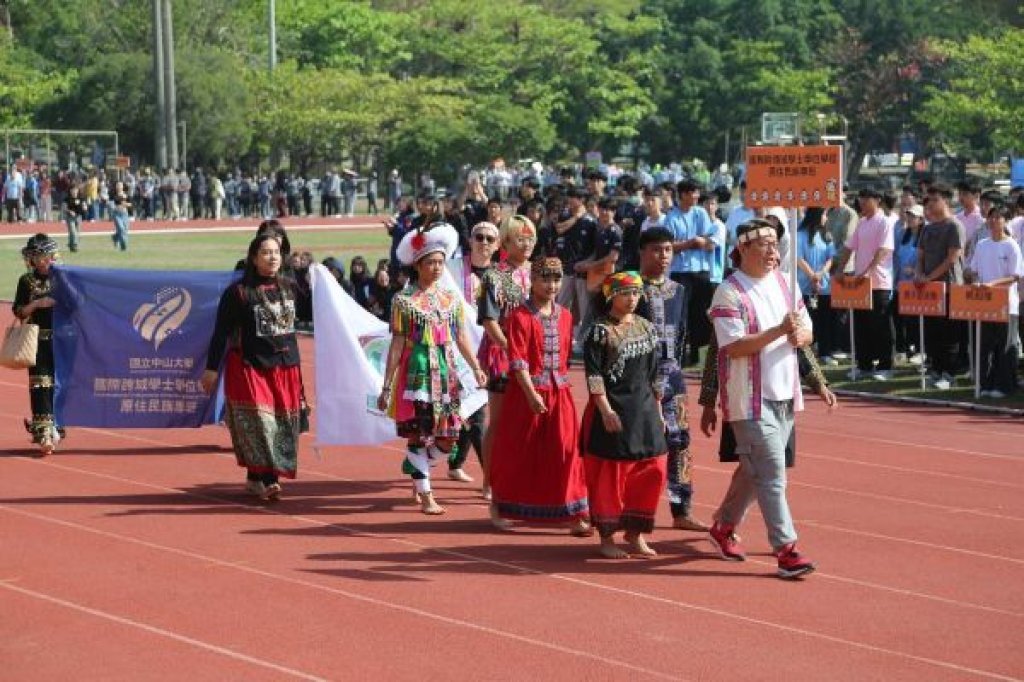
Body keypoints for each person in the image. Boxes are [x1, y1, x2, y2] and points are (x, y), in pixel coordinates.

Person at [707, 219, 816, 580]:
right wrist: (777, 331)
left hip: (785, 393)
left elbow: (807, 328)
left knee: (753, 474)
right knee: (772, 474)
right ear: (743, 249)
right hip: (749, 399)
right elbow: (733, 347)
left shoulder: (786, 283)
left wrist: (802, 334)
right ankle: (786, 550)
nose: (773, 251)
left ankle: (723, 526)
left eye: (775, 243)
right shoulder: (729, 292)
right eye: (764, 244)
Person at [376, 223, 487, 515]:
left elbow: (461, 336)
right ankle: (426, 494)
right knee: (418, 433)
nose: (437, 268)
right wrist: (387, 385)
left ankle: (417, 462)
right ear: (418, 265)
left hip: (447, 374)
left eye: (440, 262)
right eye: (431, 263)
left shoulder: (450, 300)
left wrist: (476, 367)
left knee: (448, 437)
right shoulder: (404, 300)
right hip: (418, 373)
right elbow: (397, 344)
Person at [489, 257, 590, 534]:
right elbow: (518, 360)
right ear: (532, 281)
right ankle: (500, 505)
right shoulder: (519, 317)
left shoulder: (567, 316)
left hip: (560, 393)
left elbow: (566, 357)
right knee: (518, 451)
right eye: (545, 278)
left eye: (556, 279)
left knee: (567, 451)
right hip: (526, 394)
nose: (552, 285)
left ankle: (574, 510)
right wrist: (531, 393)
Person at [202, 234, 302, 501]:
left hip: (285, 367)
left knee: (283, 426)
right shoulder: (239, 293)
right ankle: (270, 479)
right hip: (250, 367)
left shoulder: (291, 287)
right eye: (266, 252)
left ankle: (255, 476)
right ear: (254, 257)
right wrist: (211, 368)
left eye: (276, 253)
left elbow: (320, 312)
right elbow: (221, 332)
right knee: (261, 422)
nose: (272, 258)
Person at [582, 271, 667, 559]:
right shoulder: (600, 330)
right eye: (626, 293)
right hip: (614, 408)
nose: (632, 299)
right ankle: (607, 536)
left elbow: (654, 375)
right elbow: (594, 376)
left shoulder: (647, 327)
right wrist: (605, 410)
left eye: (636, 293)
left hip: (644, 410)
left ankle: (635, 531)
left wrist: (658, 411)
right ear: (611, 295)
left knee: (653, 468)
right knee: (611, 473)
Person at [635, 227, 707, 532]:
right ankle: (629, 511)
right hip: (637, 380)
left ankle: (682, 510)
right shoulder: (629, 287)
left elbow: (683, 335)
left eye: (667, 250)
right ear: (642, 252)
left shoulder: (679, 290)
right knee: (635, 446)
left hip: (673, 377)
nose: (663, 256)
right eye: (656, 250)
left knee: (680, 442)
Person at [477, 215, 535, 502]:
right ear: (506, 243)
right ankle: (489, 479)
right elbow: (489, 320)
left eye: (530, 239)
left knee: (528, 419)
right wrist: (512, 349)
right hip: (502, 354)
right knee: (498, 420)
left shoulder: (539, 273)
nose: (526, 244)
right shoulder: (494, 275)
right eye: (519, 239)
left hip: (534, 355)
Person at [447, 221, 499, 485]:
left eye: (490, 238)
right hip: (459, 352)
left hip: (490, 352)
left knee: (473, 410)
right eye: (479, 237)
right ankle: (491, 480)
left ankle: (455, 463)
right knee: (477, 416)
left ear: (498, 244)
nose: (484, 242)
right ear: (470, 240)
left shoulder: (502, 275)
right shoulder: (452, 269)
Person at [832, 188, 895, 379]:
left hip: (879, 283)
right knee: (861, 326)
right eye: (860, 198)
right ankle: (864, 365)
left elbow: (884, 249)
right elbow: (848, 248)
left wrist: (868, 271)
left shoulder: (885, 222)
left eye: (866, 199)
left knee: (881, 326)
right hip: (860, 283)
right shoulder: (861, 222)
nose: (861, 202)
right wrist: (840, 269)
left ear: (877, 200)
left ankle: (885, 367)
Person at [13, 234, 63, 456]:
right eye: (37, 257)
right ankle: (43, 432)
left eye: (44, 256)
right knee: (41, 385)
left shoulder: (63, 278)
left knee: (61, 384)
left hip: (63, 340)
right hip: (38, 340)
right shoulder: (26, 281)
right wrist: (37, 304)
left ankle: (58, 425)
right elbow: (18, 311)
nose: (42, 261)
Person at [967, 205, 1023, 398]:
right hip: (984, 302)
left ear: (1005, 221)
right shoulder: (982, 244)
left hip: (1007, 303)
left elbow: (1015, 276)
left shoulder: (1011, 245)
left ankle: (1004, 385)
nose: (993, 221)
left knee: (1005, 346)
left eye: (998, 218)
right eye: (991, 217)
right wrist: (975, 281)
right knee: (985, 345)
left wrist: (992, 284)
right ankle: (986, 384)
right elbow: (973, 269)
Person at [915, 184, 965, 390]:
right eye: (929, 200)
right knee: (932, 332)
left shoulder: (954, 226)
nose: (931, 203)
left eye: (935, 199)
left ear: (946, 200)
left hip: (949, 287)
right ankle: (935, 371)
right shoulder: (926, 228)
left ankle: (949, 374)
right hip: (928, 290)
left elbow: (951, 259)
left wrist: (929, 278)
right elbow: (920, 256)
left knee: (949, 334)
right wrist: (920, 274)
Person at [797, 208, 837, 364]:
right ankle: (808, 352)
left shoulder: (826, 235)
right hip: (805, 286)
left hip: (825, 285)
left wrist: (820, 274)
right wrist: (812, 276)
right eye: (824, 214)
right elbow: (799, 259)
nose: (826, 217)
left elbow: (831, 258)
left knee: (825, 319)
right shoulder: (800, 235)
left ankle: (825, 352)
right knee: (808, 320)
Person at [64, 184, 88, 253]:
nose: (74, 191)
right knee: (73, 232)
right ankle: (75, 245)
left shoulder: (81, 198)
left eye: (75, 190)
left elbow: (84, 205)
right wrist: (70, 211)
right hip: (70, 217)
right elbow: (64, 208)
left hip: (78, 217)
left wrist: (85, 207)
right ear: (70, 191)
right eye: (73, 190)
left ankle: (71, 246)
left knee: (77, 233)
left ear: (78, 190)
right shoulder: (67, 199)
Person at [110, 181, 132, 251]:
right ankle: (123, 247)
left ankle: (115, 237)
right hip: (117, 214)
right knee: (121, 229)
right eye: (118, 185)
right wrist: (116, 207)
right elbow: (111, 204)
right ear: (116, 187)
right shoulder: (113, 195)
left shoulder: (126, 194)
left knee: (124, 230)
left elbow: (130, 204)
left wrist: (126, 204)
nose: (119, 186)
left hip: (124, 214)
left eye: (120, 185)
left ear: (122, 186)